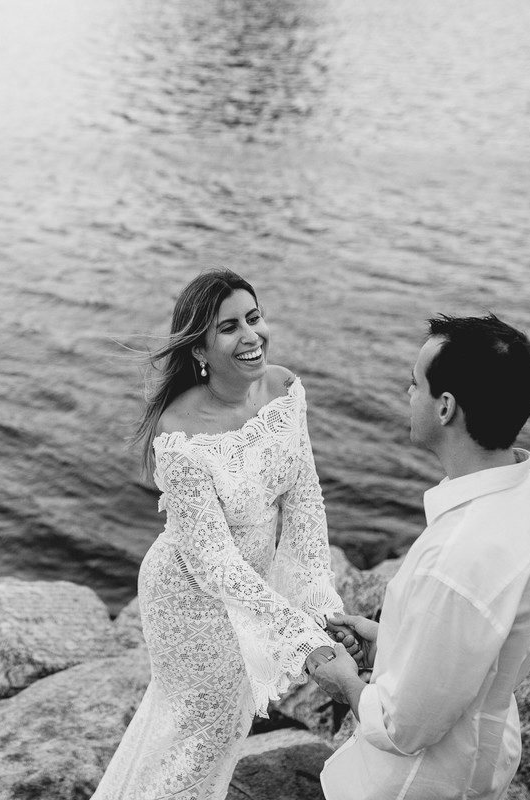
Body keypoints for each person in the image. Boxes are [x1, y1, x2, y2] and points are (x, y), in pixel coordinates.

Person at [91, 269, 350, 799]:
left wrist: (318, 601)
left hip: (249, 586)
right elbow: (213, 560)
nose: (252, 336)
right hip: (188, 595)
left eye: (253, 318)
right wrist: (298, 638)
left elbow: (304, 497)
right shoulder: (180, 429)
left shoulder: (283, 388)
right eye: (229, 327)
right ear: (200, 348)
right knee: (201, 732)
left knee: (220, 730)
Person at [311, 314, 530, 800]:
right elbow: (478, 647)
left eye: (415, 384)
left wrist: (343, 681)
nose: (408, 395)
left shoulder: (457, 556)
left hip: (418, 785)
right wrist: (388, 642)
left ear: (446, 407)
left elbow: (401, 729)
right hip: (484, 753)